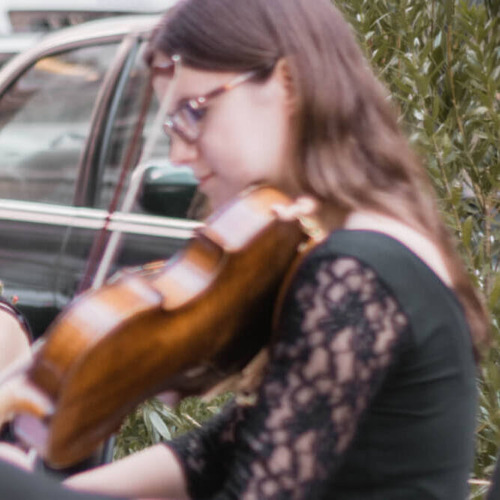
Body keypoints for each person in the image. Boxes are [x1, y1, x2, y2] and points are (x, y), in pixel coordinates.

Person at [0, 0, 490, 498]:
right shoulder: (373, 246)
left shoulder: (354, 271)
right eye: (173, 124)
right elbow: (226, 447)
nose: (179, 153)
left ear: (287, 84)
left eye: (195, 111)